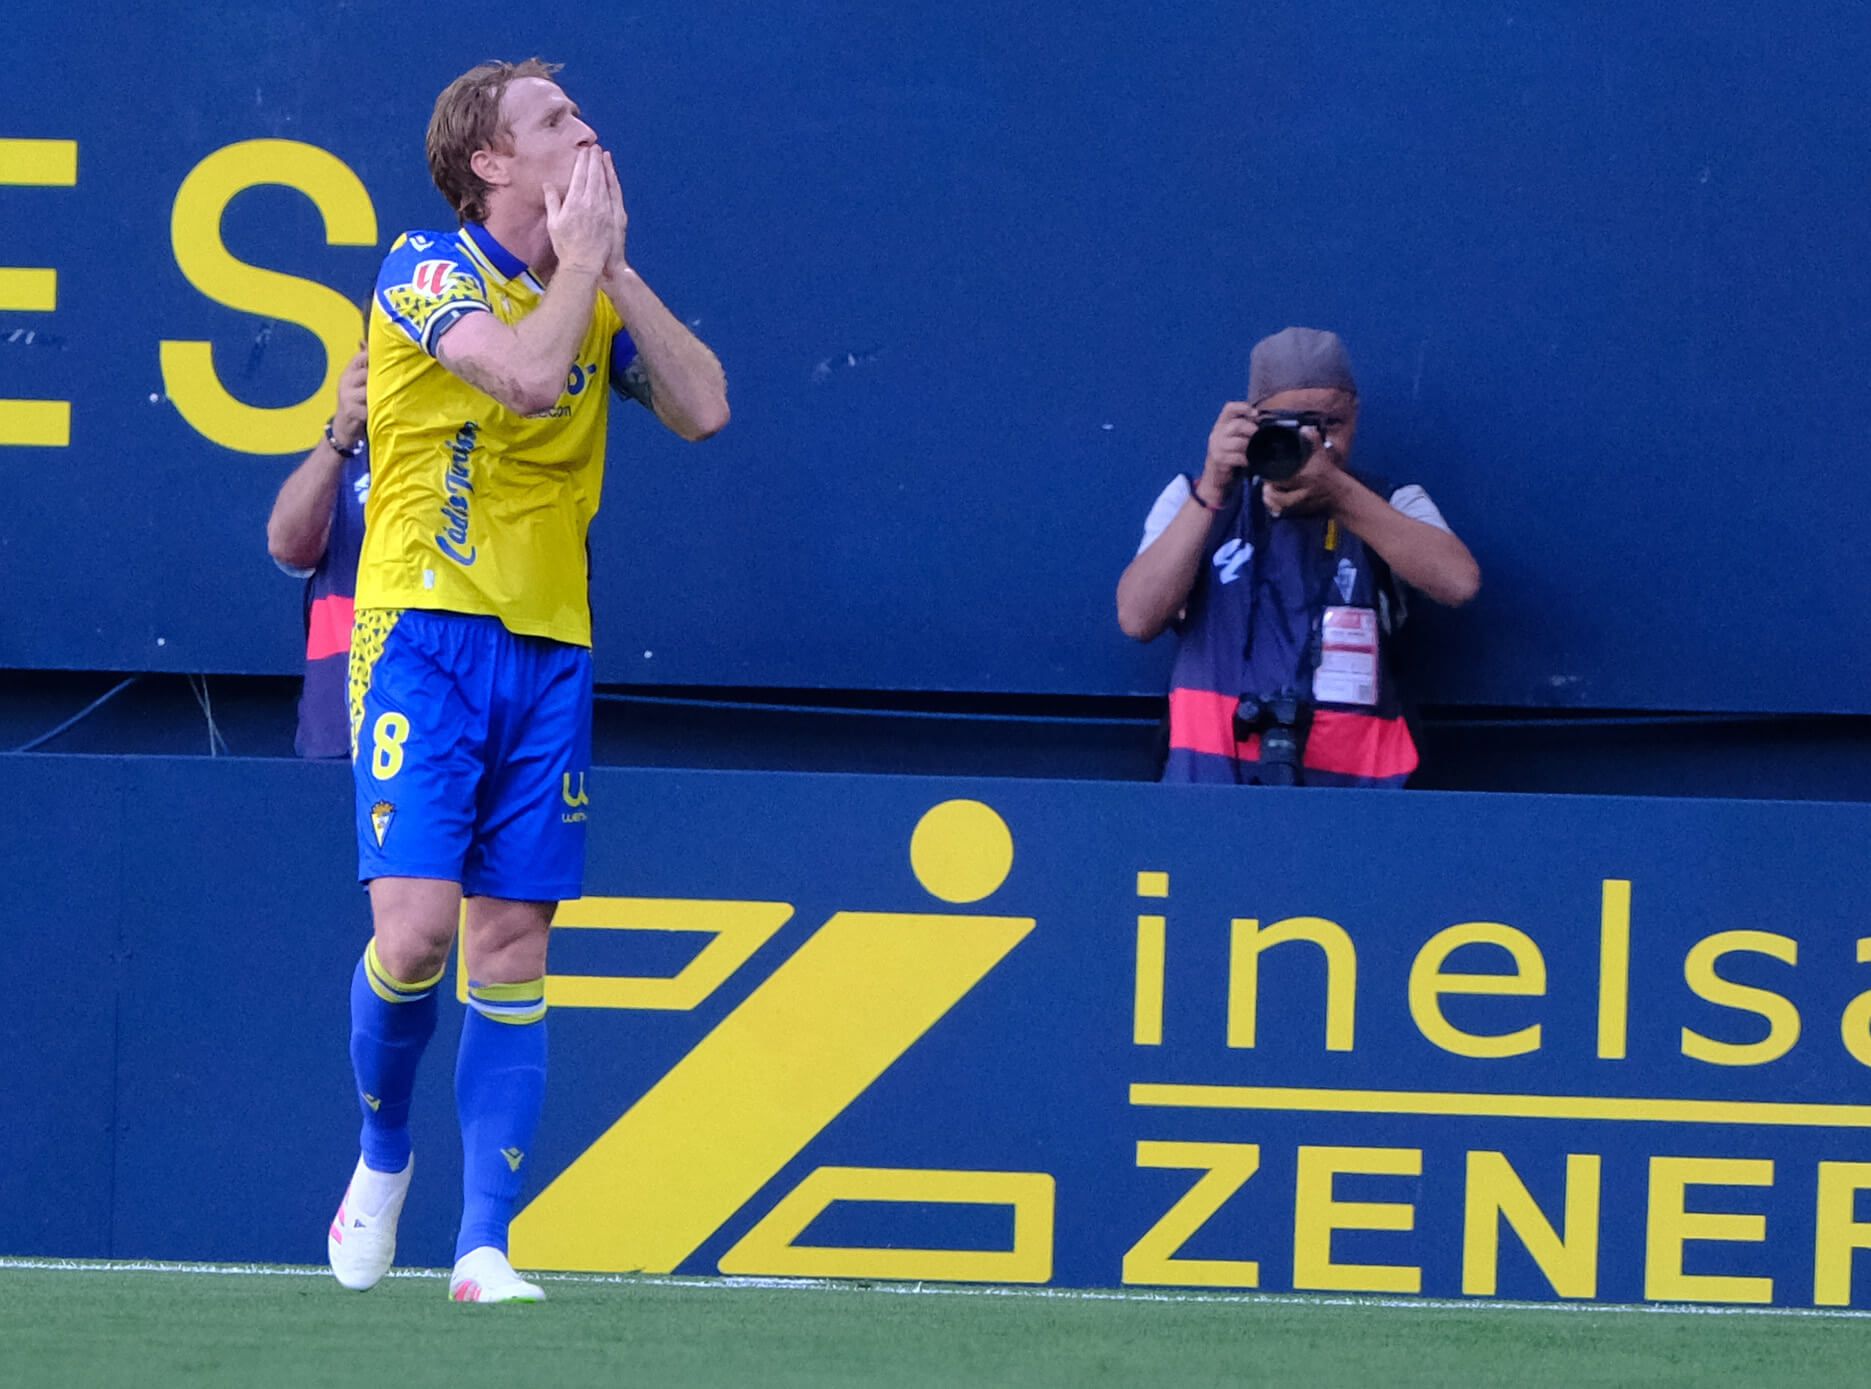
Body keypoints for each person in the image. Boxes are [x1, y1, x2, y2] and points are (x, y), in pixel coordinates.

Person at [327, 57, 729, 1304]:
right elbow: (524, 375)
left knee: (510, 943)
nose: (586, 128)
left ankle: (483, 1246)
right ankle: (381, 1158)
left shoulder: (590, 289)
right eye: (554, 119)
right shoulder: (423, 269)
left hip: (551, 644)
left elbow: (705, 409)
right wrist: (578, 269)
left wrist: (613, 271)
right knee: (415, 934)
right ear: (490, 161)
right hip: (421, 631)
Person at [1115, 327, 1478, 785]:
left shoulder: (1389, 501)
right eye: (1287, 424)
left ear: (1355, 415)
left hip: (1357, 804)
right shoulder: (1198, 498)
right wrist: (1213, 489)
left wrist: (1340, 495)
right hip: (1209, 795)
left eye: (1330, 424)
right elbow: (1137, 618)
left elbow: (1460, 583)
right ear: (1250, 421)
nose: (1313, 440)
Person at [267, 346, 370, 759]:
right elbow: (286, 547)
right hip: (343, 725)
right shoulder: (349, 452)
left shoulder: (490, 443)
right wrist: (340, 435)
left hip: (455, 721)